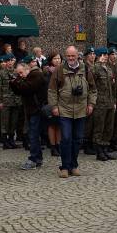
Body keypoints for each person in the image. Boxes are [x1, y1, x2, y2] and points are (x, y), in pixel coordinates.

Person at [47, 45, 96, 178]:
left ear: (77, 56)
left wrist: (91, 104)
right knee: (66, 138)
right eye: (68, 56)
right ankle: (64, 166)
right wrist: (54, 107)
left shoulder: (85, 69)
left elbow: (93, 89)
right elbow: (52, 90)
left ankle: (74, 165)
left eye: (73, 56)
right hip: (65, 110)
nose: (71, 58)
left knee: (78, 139)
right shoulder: (59, 70)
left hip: (81, 110)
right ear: (65, 56)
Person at [10, 55, 46, 170]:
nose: (20, 76)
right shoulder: (27, 78)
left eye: (21, 73)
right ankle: (37, 158)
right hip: (30, 110)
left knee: (33, 135)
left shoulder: (36, 75)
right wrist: (14, 83)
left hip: (37, 110)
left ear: (27, 69)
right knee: (33, 134)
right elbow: (18, 91)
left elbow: (27, 88)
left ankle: (34, 159)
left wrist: (17, 81)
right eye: (18, 74)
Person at [90, 48, 116, 161]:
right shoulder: (95, 68)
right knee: (99, 128)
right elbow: (91, 83)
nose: (105, 57)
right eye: (102, 55)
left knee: (108, 128)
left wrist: (114, 101)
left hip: (109, 102)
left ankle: (105, 148)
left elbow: (113, 87)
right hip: (100, 103)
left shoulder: (109, 69)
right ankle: (99, 151)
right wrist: (98, 64)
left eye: (106, 55)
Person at [43, 51, 62, 156]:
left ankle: (59, 145)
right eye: (55, 58)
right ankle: (53, 146)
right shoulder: (47, 72)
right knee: (52, 125)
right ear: (51, 60)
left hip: (62, 102)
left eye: (59, 58)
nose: (57, 60)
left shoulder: (63, 71)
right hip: (51, 102)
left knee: (59, 125)